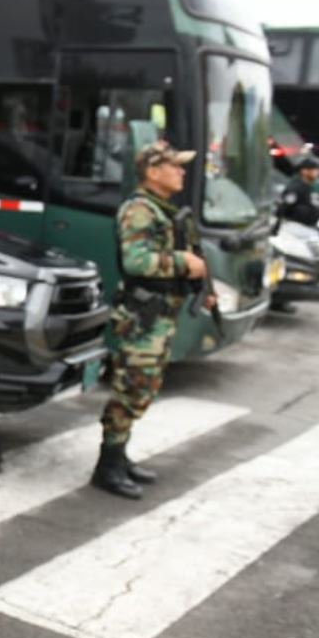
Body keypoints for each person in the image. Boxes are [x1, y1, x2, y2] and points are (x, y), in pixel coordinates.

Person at [93, 139, 216, 499]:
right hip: (142, 318)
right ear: (152, 171)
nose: (181, 171)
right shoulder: (140, 210)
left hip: (159, 318)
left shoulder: (161, 209)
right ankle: (107, 465)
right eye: (174, 165)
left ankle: (118, 456)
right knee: (131, 387)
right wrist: (183, 263)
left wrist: (199, 282)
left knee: (143, 388)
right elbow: (136, 262)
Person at [278, 155, 319, 227]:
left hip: (304, 227)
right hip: (292, 227)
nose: (317, 173)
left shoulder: (308, 187)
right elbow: (284, 208)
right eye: (314, 170)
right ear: (304, 171)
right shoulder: (296, 187)